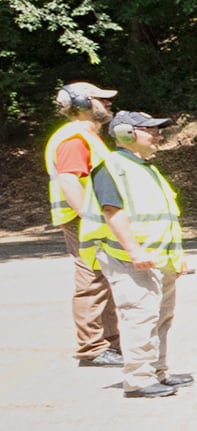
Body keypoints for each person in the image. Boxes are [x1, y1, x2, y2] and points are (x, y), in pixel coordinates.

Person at [89, 112, 191, 398]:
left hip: (159, 258)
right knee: (140, 316)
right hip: (129, 257)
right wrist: (133, 249)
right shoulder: (112, 166)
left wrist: (178, 257)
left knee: (160, 317)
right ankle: (138, 378)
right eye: (151, 130)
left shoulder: (145, 167)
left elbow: (165, 218)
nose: (158, 135)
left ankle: (157, 371)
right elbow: (112, 211)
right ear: (126, 134)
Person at [45, 81, 126, 368]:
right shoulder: (75, 138)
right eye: (101, 99)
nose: (108, 104)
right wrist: (89, 217)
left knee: (101, 278)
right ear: (82, 104)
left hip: (90, 219)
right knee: (91, 280)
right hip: (83, 220)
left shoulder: (87, 136)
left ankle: (109, 344)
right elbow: (69, 179)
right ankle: (92, 348)